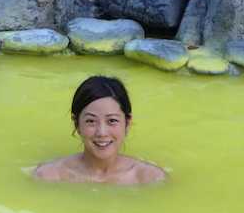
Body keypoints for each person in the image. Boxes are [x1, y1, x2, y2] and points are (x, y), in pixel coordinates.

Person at [34, 75, 167, 185]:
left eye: (112, 121)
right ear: (76, 124)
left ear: (127, 123)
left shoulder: (150, 179)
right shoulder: (49, 176)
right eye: (91, 121)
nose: (102, 133)